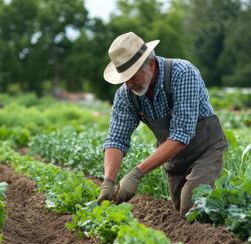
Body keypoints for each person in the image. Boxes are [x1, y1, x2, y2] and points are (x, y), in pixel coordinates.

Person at [96, 31, 228, 217]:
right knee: (182, 210)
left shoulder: (183, 74)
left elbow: (181, 135)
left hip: (205, 149)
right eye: (124, 79)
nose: (128, 85)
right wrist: (108, 182)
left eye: (133, 77)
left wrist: (136, 174)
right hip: (174, 159)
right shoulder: (126, 95)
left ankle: (231, 215)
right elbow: (117, 139)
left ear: (150, 64)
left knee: (194, 209)